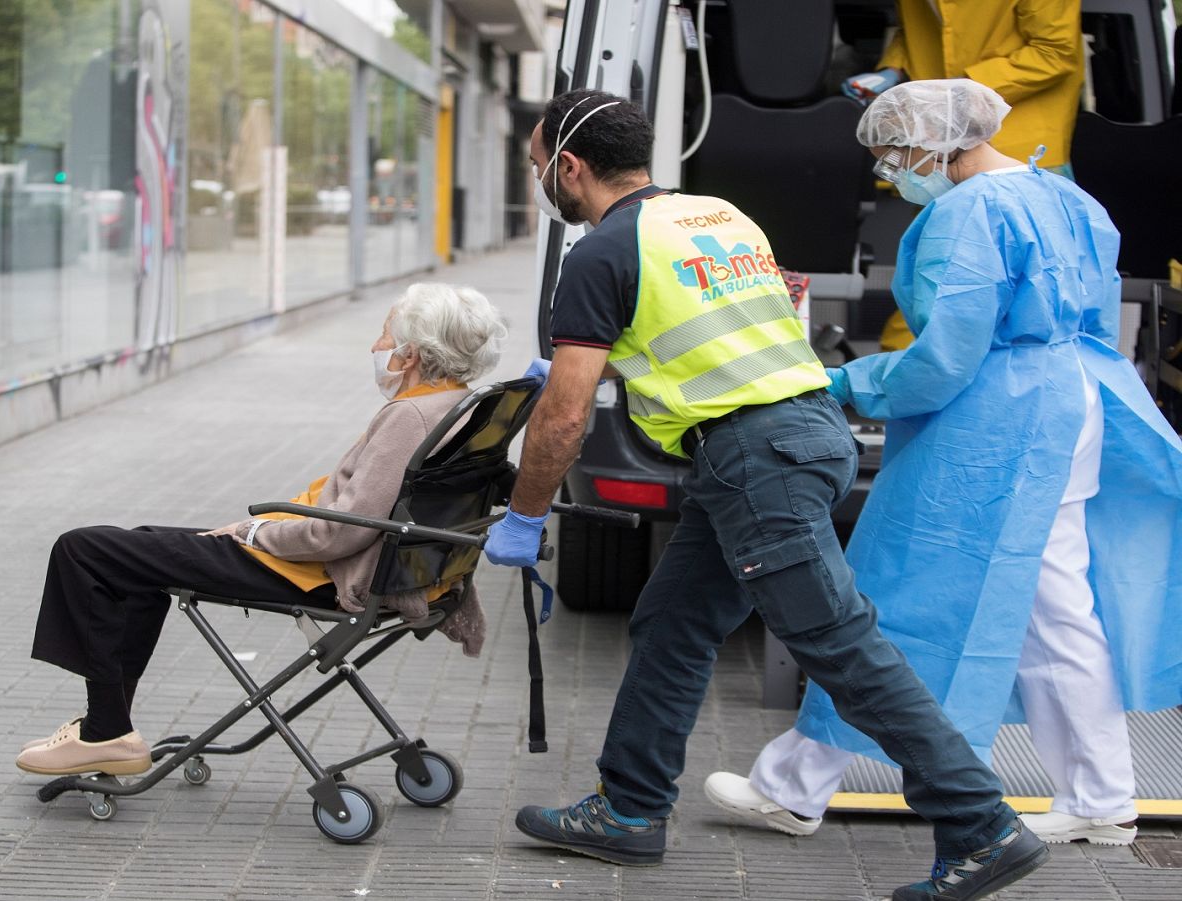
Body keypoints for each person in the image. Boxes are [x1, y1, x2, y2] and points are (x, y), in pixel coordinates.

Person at [485, 88, 1047, 901]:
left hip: (757, 457)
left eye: (541, 167)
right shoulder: (718, 215)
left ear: (570, 167)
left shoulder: (601, 253)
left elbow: (564, 419)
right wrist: (603, 355)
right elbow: (724, 322)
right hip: (799, 433)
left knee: (838, 643)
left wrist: (526, 513)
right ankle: (631, 808)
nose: (542, 180)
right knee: (673, 620)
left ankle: (982, 823)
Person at [704, 79, 1182, 849]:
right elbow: (1091, 314)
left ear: (935, 141)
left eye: (892, 154)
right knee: (1059, 612)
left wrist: (841, 382)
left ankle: (791, 787)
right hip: (1071, 405)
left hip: (990, 427)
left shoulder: (967, 212)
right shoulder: (1065, 196)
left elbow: (947, 355)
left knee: (891, 597)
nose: (890, 171)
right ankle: (1102, 795)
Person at [16, 283, 504, 776]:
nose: (376, 348)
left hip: (319, 572)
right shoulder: (461, 406)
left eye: (383, 337)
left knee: (83, 549)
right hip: (368, 566)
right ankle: (108, 726)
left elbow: (344, 533)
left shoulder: (410, 416)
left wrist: (255, 533)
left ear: (410, 355)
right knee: (136, 548)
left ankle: (104, 734)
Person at [842, 0, 1085, 350]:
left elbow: (1056, 52)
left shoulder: (1040, 199)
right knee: (940, 264)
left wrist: (951, 94)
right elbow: (914, 34)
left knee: (1017, 284)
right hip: (933, 141)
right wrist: (894, 69)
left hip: (1017, 133)